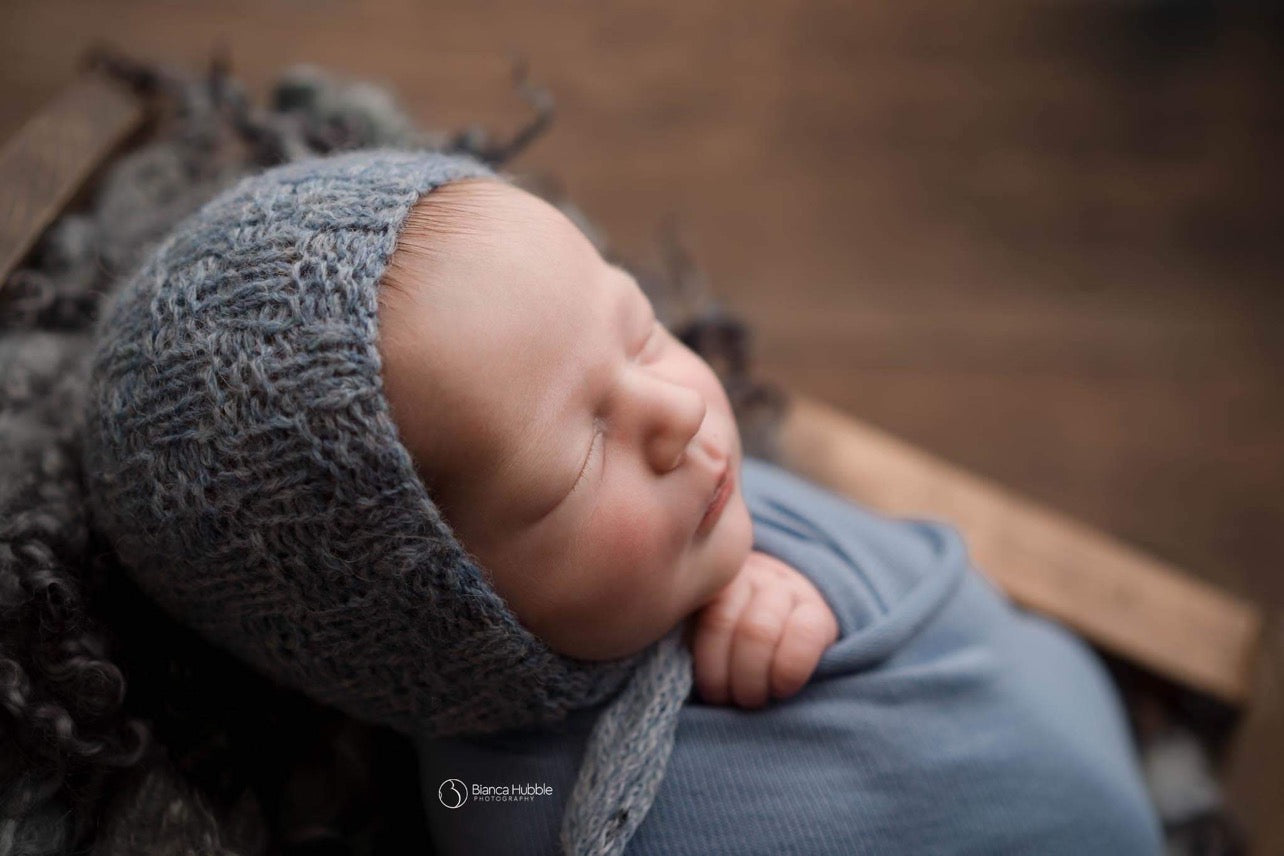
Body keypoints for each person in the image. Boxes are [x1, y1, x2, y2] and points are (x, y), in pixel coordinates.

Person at [80, 148, 1163, 855]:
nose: (675, 411)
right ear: (453, 630)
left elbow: (952, 600)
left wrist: (805, 581)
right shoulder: (501, 806)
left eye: (640, 326)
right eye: (576, 458)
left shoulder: (715, 517)